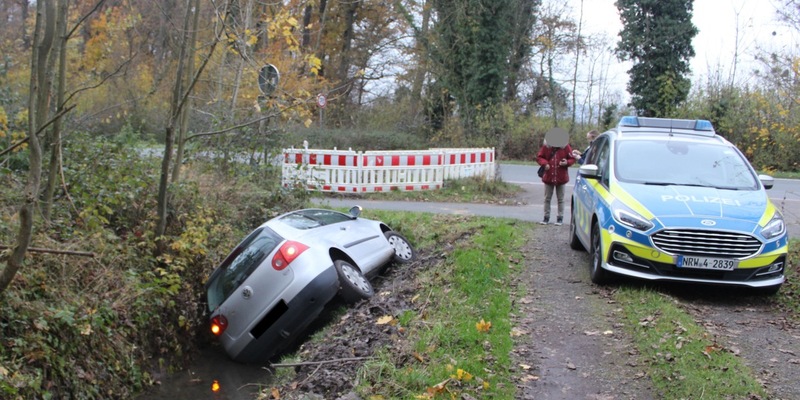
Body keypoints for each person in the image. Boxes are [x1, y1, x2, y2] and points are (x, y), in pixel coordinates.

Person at [537, 140, 575, 225]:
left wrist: (567, 162)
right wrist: (545, 163)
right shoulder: (546, 147)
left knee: (560, 199)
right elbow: (539, 157)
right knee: (547, 198)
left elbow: (572, 159)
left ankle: (560, 218)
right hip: (549, 176)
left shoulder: (566, 147)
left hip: (561, 177)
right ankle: (546, 217)